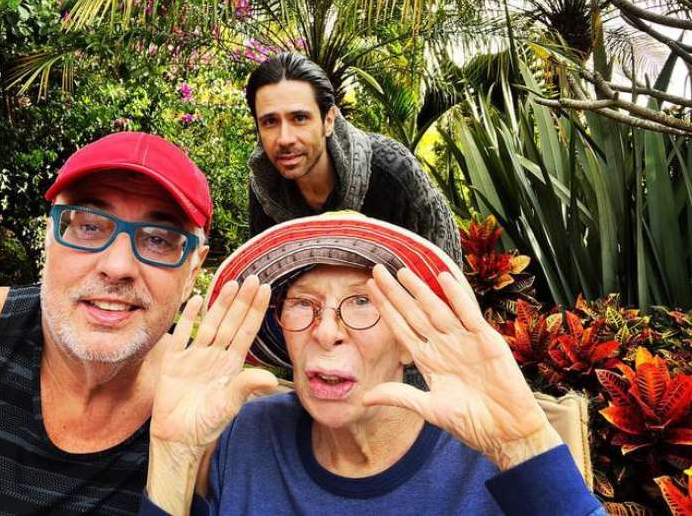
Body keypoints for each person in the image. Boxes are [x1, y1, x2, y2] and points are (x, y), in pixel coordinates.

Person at [139, 213, 605, 515]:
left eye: (362, 302)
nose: (326, 331)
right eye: (303, 304)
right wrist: (174, 454)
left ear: (410, 340)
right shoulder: (246, 435)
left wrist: (522, 445)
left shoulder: (488, 452)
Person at [0, 131, 247, 514]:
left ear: (192, 269)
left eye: (158, 239)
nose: (117, 266)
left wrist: (177, 457)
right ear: (50, 236)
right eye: (90, 226)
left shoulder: (211, 418)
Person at [246, 53, 462, 266]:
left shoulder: (392, 168)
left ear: (329, 120)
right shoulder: (265, 186)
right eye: (270, 121)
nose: (285, 139)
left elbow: (445, 267)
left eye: (300, 118)